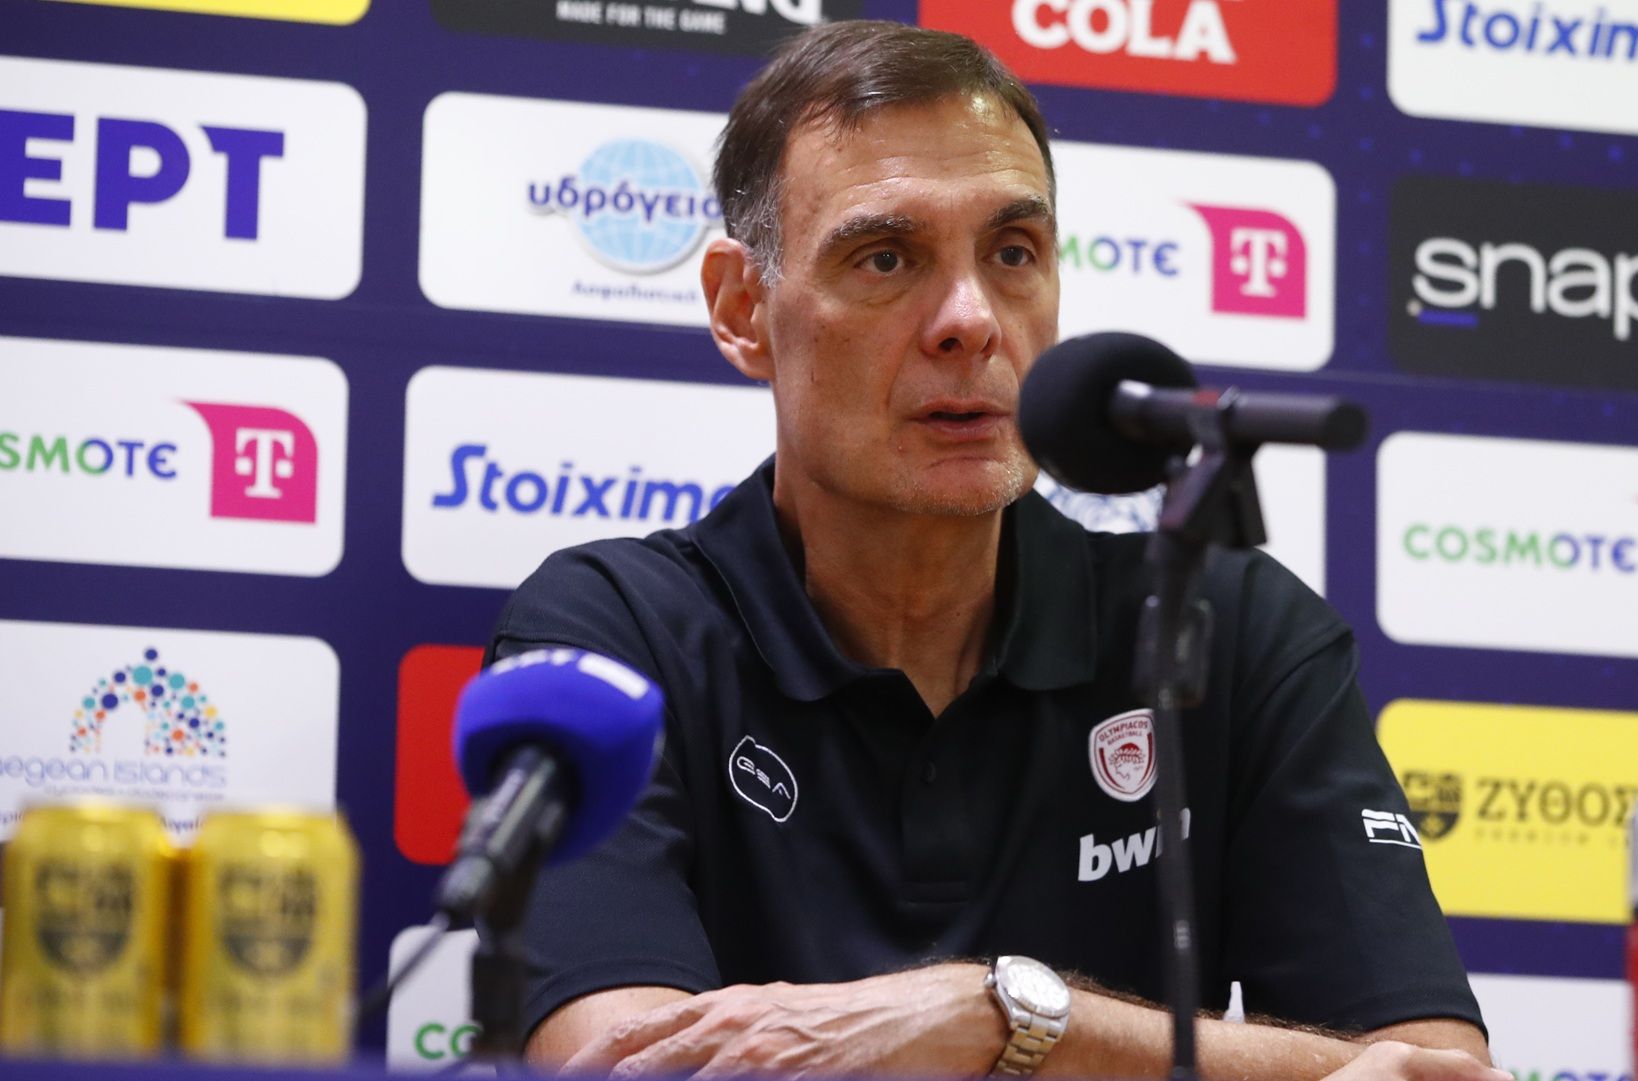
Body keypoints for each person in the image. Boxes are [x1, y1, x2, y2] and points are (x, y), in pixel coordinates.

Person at [485, 20, 1501, 1081]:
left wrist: (1003, 1014)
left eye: (1012, 252)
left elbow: (1437, 1073)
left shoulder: (1228, 629)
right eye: (886, 257)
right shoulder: (610, 636)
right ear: (744, 310)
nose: (970, 320)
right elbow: (625, 1065)